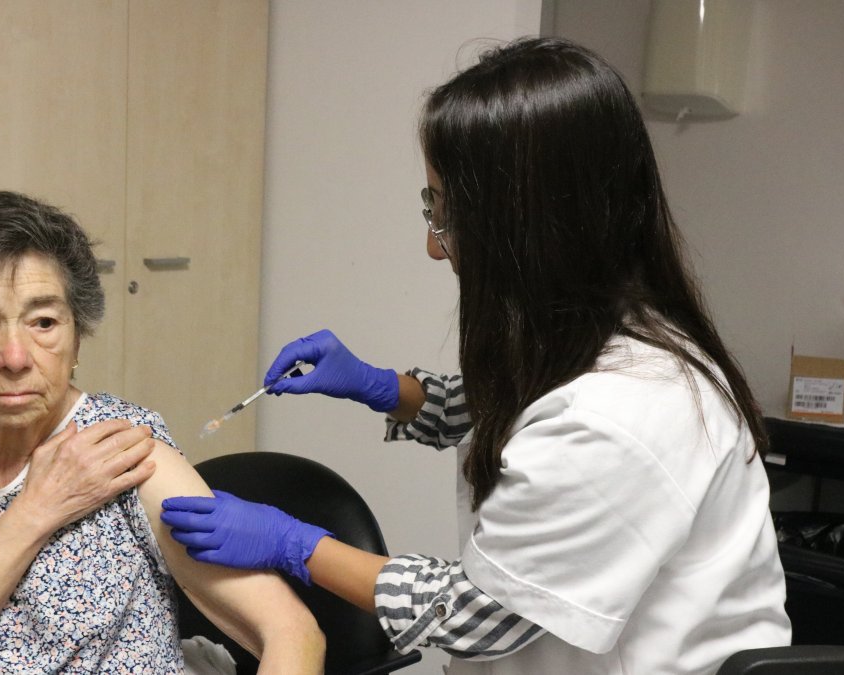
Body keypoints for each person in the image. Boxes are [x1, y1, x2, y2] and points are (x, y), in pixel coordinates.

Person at [161, 37, 791, 674]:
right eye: (431, 203)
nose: (436, 248)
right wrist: (385, 387)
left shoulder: (621, 415)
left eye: (445, 213)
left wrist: (294, 545)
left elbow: (477, 615)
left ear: (527, 228)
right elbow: (516, 410)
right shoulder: (611, 335)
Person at [0, 191, 324, 674]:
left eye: (44, 322)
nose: (15, 358)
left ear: (77, 336)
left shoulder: (123, 446)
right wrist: (38, 508)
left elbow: (291, 631)